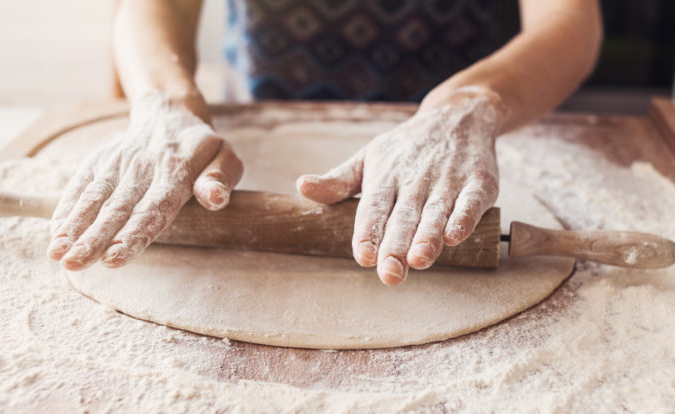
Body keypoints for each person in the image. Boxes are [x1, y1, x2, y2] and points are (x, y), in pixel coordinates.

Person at [47, 0, 602, 286]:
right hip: (264, 119)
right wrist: (163, 102)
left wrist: (471, 104)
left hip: (451, 142)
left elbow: (572, 21)